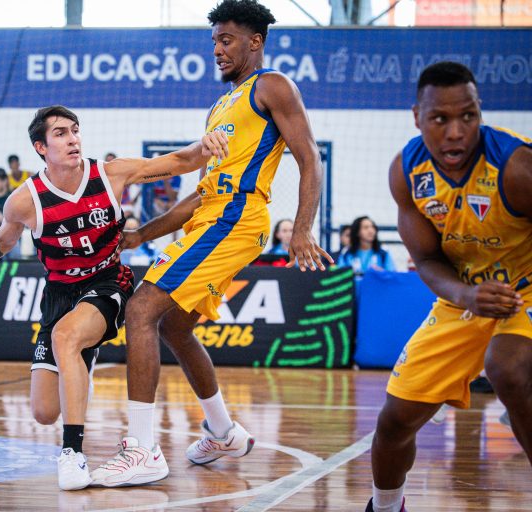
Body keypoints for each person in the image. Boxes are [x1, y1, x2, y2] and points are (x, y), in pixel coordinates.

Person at [91, 0, 332, 487]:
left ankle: (142, 450)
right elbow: (200, 194)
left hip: (237, 217)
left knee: (141, 310)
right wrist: (140, 235)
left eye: (227, 40)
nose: (217, 49)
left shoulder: (272, 85)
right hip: (214, 215)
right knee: (174, 326)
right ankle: (223, 432)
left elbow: (310, 157)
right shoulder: (220, 107)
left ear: (255, 42)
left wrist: (304, 228)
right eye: (215, 41)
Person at [0, 105, 228, 491]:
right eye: (60, 133)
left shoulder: (110, 174)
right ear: (41, 147)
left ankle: (72, 454)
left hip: (109, 283)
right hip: (59, 294)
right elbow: (1, 242)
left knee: (66, 337)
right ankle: (81, 361)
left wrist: (205, 144)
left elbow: (178, 162)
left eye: (75, 130)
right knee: (44, 411)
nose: (72, 139)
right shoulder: (24, 201)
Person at [366, 61, 532, 512]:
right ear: (417, 117)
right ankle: (385, 507)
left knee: (508, 368)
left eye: (468, 116)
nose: (456, 132)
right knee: (394, 422)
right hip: (465, 295)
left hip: (526, 288)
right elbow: (426, 259)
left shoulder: (517, 167)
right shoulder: (407, 171)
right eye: (440, 119)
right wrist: (466, 295)